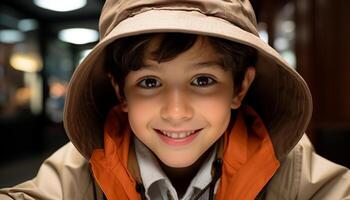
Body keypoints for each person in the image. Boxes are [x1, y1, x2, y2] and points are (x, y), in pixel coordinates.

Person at [1, 0, 350, 199]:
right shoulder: (80, 167)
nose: (176, 111)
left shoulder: (288, 163)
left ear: (240, 88)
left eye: (203, 80)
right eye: (150, 82)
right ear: (121, 92)